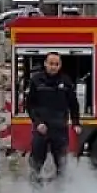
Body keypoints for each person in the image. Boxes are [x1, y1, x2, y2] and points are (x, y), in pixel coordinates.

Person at [24, 52, 81, 184]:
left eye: (56, 64)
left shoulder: (66, 82)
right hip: (41, 129)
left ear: (60, 65)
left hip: (60, 129)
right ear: (45, 64)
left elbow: (74, 104)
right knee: (36, 163)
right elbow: (30, 106)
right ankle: (33, 192)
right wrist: (37, 123)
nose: (53, 67)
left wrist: (76, 123)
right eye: (51, 64)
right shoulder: (36, 81)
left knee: (62, 164)